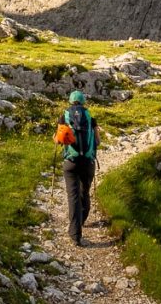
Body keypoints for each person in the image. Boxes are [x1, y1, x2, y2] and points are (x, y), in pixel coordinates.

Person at [56, 90, 99, 246]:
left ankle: (75, 235)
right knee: (84, 192)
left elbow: (59, 140)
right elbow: (98, 141)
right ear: (83, 101)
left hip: (71, 163)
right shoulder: (91, 118)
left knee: (73, 196)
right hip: (87, 163)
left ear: (70, 101)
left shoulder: (64, 117)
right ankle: (82, 219)